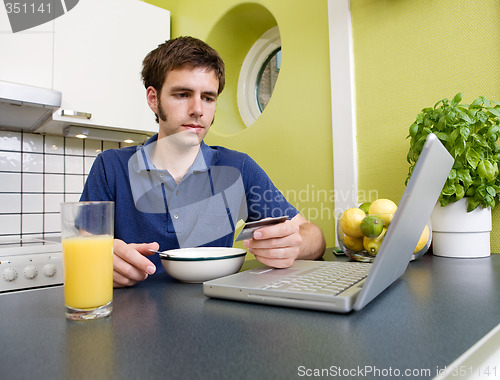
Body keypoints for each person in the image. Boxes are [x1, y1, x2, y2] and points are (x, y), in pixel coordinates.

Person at [80, 36, 326, 288]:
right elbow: (81, 246)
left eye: (208, 97)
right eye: (183, 94)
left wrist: (293, 245)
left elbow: (313, 235)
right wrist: (98, 257)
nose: (198, 109)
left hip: (215, 312)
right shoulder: (110, 167)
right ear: (154, 99)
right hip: (129, 317)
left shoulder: (238, 167)